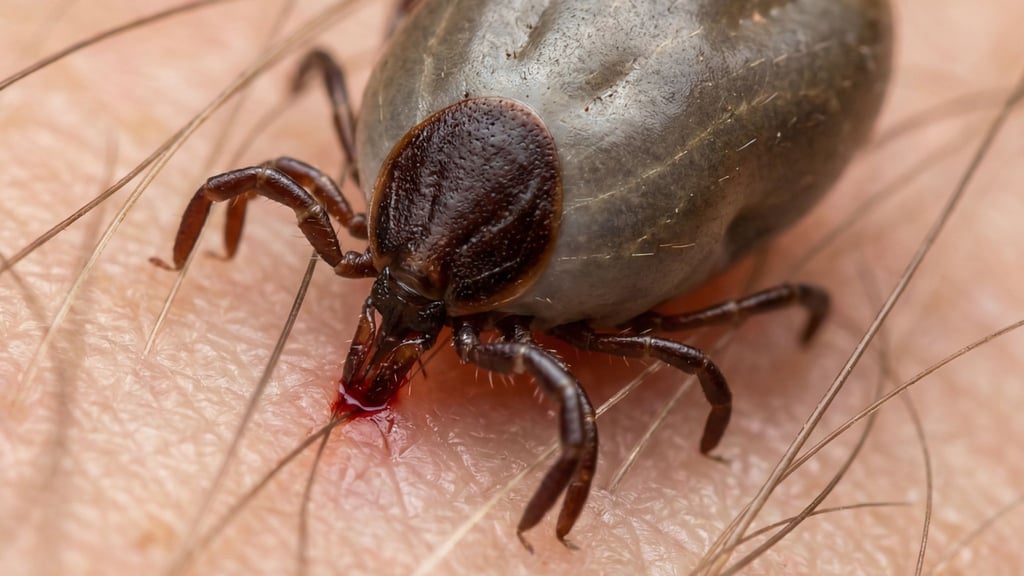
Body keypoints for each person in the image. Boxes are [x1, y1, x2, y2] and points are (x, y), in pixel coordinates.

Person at [2, 0, 1021, 573]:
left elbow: (259, 182)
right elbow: (613, 390)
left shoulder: (365, 194)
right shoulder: (427, 249)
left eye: (401, 311)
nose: (388, 326)